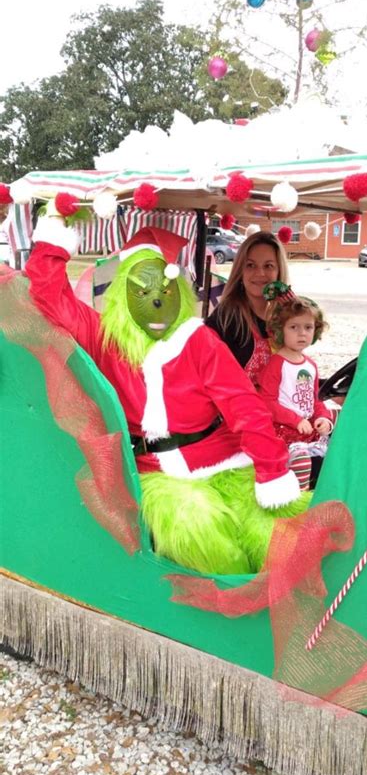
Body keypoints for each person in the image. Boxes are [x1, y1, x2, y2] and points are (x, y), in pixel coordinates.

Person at [25, 214, 306, 576]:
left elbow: (243, 405)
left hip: (225, 460)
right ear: (124, 296)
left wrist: (270, 470)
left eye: (164, 290)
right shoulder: (104, 338)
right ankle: (222, 621)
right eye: (142, 292)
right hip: (160, 473)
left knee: (275, 540)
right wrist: (52, 246)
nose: (156, 302)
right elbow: (48, 296)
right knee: (204, 537)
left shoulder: (198, 340)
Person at [257, 282, 335, 491]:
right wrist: (295, 419)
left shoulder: (310, 365)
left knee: (337, 450)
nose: (302, 334)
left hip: (308, 429)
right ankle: (297, 501)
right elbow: (266, 402)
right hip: (284, 432)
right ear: (280, 330)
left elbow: (315, 399)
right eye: (294, 327)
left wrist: (322, 417)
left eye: (308, 327)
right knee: (301, 460)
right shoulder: (276, 364)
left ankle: (323, 494)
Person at [206, 231, 289, 386]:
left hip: (281, 408)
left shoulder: (286, 317)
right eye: (250, 265)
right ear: (240, 271)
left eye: (268, 266)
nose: (260, 273)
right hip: (239, 408)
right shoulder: (226, 317)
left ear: (279, 272)